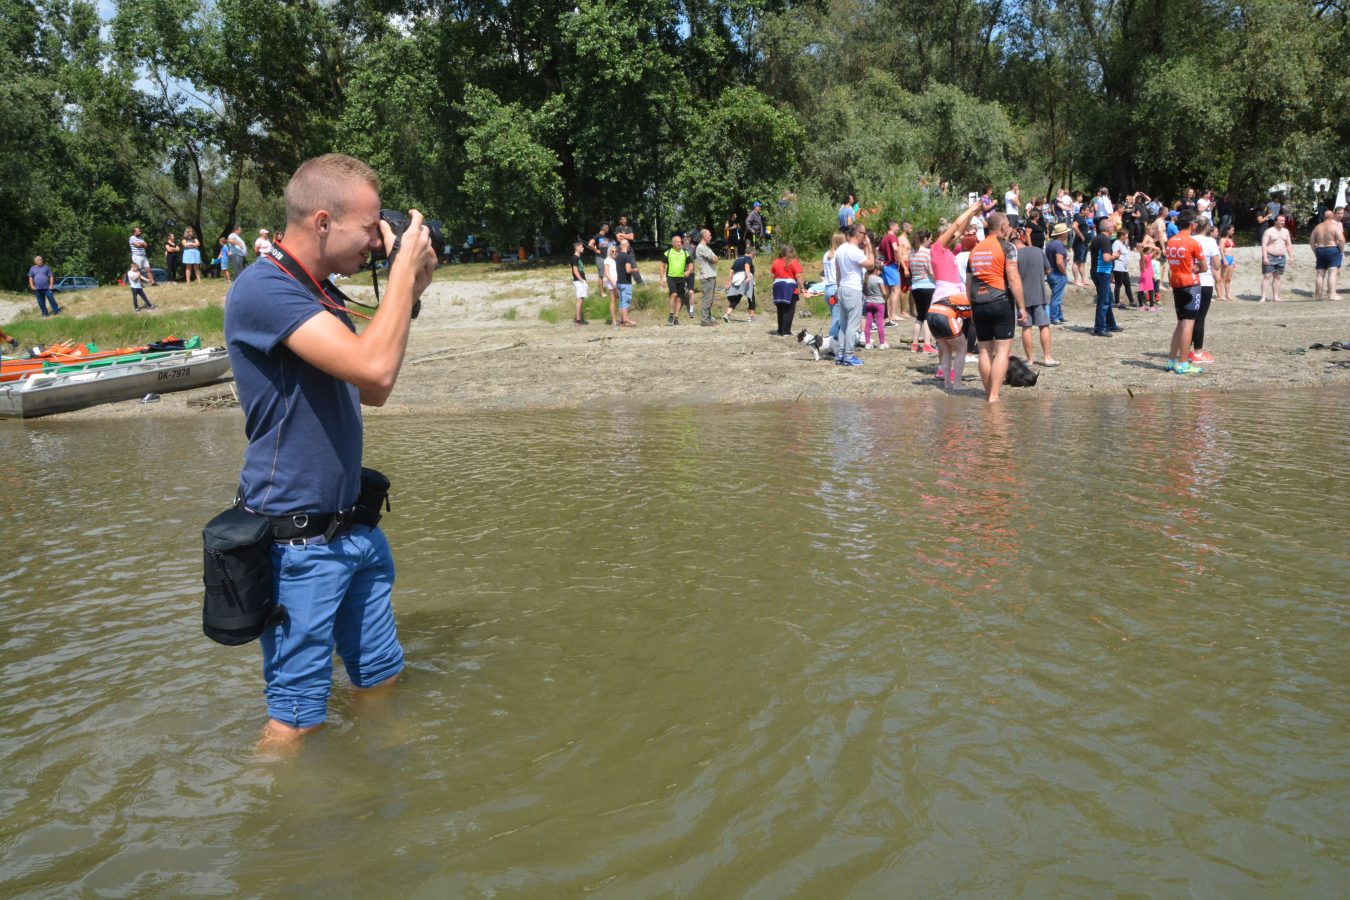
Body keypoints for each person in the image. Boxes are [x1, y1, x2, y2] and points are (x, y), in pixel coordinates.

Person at [223, 153, 436, 746]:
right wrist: (400, 275)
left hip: (351, 528)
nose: (377, 240)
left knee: (380, 677)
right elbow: (376, 369)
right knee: (295, 718)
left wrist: (411, 286)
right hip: (297, 544)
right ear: (322, 222)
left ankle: (378, 773)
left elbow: (371, 390)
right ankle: (275, 801)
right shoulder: (264, 288)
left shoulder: (316, 290)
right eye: (369, 227)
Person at [967, 212, 1027, 402]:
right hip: (1000, 301)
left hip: (978, 302)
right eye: (1007, 224)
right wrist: (1022, 307)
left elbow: (969, 283)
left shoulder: (975, 249)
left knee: (984, 350)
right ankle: (994, 395)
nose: (1009, 227)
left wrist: (971, 307)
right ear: (1002, 226)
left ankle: (988, 392)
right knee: (1002, 350)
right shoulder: (1007, 247)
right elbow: (1013, 278)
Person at [927, 201, 983, 389]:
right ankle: (957, 384)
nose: (955, 237)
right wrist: (970, 209)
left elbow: (960, 229)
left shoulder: (946, 251)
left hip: (939, 306)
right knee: (961, 347)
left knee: (946, 349)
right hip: (948, 301)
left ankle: (947, 383)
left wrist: (972, 215)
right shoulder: (937, 248)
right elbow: (957, 225)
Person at [1164, 211, 1207, 375]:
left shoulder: (1171, 241)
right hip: (1191, 285)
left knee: (1180, 323)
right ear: (1193, 223)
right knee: (1188, 324)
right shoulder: (1193, 242)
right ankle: (1182, 363)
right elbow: (1204, 267)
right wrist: (1197, 268)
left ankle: (1171, 360)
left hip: (1176, 284)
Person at [1014, 230, 1057, 367]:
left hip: (1022, 297)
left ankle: (1029, 359)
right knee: (1044, 326)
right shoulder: (1038, 251)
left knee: (1026, 328)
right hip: (1039, 294)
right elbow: (1048, 270)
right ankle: (1047, 357)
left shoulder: (1015, 256)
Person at [832, 224, 873, 366]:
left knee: (843, 324)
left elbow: (838, 271)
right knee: (853, 324)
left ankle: (840, 354)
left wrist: (838, 288)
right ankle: (849, 355)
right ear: (858, 234)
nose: (865, 236)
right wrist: (870, 247)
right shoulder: (854, 251)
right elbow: (870, 265)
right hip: (853, 289)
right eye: (864, 233)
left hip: (843, 287)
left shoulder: (841, 249)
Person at [1189, 222, 1221, 364]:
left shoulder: (1190, 240)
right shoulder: (1210, 241)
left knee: (1189, 318)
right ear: (1207, 227)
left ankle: (1186, 350)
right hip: (1205, 282)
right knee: (1200, 318)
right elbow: (1217, 265)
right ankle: (1198, 352)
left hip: (1190, 281)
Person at [1089, 217, 1121, 336]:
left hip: (1099, 271)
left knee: (1107, 298)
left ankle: (1110, 324)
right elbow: (1106, 258)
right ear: (1109, 228)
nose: (1114, 228)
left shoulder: (1097, 238)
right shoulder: (1105, 240)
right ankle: (1099, 328)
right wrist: (1115, 257)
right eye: (1113, 226)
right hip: (1102, 272)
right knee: (1103, 300)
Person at [907, 230, 936, 353]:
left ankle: (914, 344)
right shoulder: (928, 252)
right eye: (930, 239)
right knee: (927, 317)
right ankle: (927, 344)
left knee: (920, 316)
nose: (931, 241)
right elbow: (931, 271)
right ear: (925, 239)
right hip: (928, 286)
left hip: (915, 287)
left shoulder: (911, 252)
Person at [770, 244, 804, 336]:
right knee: (788, 310)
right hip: (789, 287)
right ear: (791, 252)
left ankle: (780, 330)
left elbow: (772, 275)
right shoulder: (793, 262)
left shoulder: (776, 261)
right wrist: (802, 288)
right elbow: (798, 276)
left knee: (780, 309)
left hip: (777, 286)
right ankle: (786, 331)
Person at [1311, 210, 1344, 301]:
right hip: (1332, 249)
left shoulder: (1317, 227)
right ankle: (1332, 295)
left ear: (1323, 217)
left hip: (1320, 249)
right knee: (1332, 273)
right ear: (1332, 216)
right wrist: (1341, 251)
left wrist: (1316, 252)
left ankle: (1318, 296)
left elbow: (1312, 242)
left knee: (1320, 274)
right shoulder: (1335, 226)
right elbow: (1341, 240)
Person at [1259, 214, 1294, 302]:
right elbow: (1264, 244)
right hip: (1270, 256)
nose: (1283, 222)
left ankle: (1276, 297)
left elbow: (1288, 244)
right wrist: (1265, 257)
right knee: (1267, 276)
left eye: (1284, 221)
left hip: (1281, 257)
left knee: (1277, 277)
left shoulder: (1286, 231)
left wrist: (1291, 256)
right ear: (1275, 221)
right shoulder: (1269, 231)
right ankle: (1263, 297)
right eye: (1281, 220)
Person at [660, 234, 693, 326]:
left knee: (679, 298)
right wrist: (661, 279)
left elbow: (691, 264)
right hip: (671, 277)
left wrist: (688, 271)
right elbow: (662, 266)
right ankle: (671, 314)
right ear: (673, 243)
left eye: (680, 242)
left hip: (681, 277)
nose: (679, 244)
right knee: (674, 294)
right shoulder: (668, 253)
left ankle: (676, 318)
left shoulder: (685, 253)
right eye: (677, 242)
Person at [694, 228, 720, 326]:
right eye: (709, 235)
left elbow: (716, 259)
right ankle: (704, 319)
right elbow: (713, 260)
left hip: (711, 275)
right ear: (704, 236)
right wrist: (714, 259)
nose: (711, 237)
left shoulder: (707, 248)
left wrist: (714, 259)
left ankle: (708, 318)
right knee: (707, 299)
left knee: (710, 299)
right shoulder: (700, 248)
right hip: (706, 276)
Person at [723, 245, 755, 323]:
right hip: (745, 278)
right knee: (751, 297)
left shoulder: (737, 260)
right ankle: (751, 317)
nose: (753, 257)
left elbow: (731, 271)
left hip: (737, 279)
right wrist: (748, 276)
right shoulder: (748, 258)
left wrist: (729, 282)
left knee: (736, 298)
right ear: (750, 253)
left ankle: (727, 314)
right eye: (753, 255)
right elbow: (747, 265)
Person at [1045, 223, 1069, 325]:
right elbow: (1059, 262)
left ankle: (1059, 315)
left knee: (1057, 295)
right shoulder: (1059, 245)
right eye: (1066, 232)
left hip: (1051, 273)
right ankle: (1054, 317)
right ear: (1062, 234)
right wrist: (1064, 272)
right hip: (1058, 274)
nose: (1067, 234)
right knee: (1057, 297)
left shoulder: (1050, 244)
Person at [878, 221, 902, 322]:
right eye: (897, 226)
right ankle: (893, 314)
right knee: (896, 290)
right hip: (892, 266)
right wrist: (899, 260)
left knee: (887, 292)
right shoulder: (892, 236)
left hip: (885, 266)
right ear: (892, 227)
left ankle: (886, 314)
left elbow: (879, 251)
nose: (898, 228)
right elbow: (895, 249)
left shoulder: (884, 238)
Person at [862, 262, 888, 350]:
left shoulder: (866, 278)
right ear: (876, 270)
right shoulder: (879, 279)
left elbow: (864, 291)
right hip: (879, 302)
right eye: (880, 271)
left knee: (868, 323)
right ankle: (882, 343)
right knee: (880, 323)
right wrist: (885, 298)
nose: (880, 272)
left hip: (869, 302)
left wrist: (869, 295)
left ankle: (867, 343)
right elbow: (884, 292)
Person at [614, 239, 637, 327]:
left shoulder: (617, 256)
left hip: (619, 282)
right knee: (626, 302)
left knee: (621, 301)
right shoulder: (627, 257)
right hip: (626, 282)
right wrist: (634, 270)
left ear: (620, 246)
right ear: (627, 246)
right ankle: (625, 320)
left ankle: (622, 319)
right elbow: (628, 270)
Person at [1111, 228, 1135, 308]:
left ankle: (1132, 301)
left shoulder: (1123, 244)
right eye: (1126, 236)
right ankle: (1117, 302)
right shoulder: (1117, 243)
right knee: (1118, 284)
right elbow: (1113, 254)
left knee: (1127, 284)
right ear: (1121, 236)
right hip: (1118, 267)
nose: (1127, 238)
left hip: (1124, 267)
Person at [1071, 205, 1093, 287]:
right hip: (1079, 243)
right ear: (1082, 210)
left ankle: (1083, 280)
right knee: (1077, 262)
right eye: (1087, 210)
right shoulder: (1078, 217)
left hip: (1084, 244)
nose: (1089, 212)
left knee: (1082, 263)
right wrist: (1081, 236)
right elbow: (1074, 226)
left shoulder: (1083, 218)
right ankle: (1076, 280)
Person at [569, 241, 590, 325]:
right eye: (581, 247)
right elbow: (575, 270)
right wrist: (581, 280)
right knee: (580, 299)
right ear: (577, 248)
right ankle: (578, 320)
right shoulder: (574, 258)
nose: (583, 248)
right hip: (578, 281)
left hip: (581, 280)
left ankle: (580, 318)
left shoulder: (578, 257)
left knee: (582, 299)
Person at [1138, 234, 1159, 310]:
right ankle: (1151, 306)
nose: (1151, 250)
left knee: (1141, 290)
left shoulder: (1141, 258)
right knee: (1150, 290)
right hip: (1148, 276)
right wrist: (1149, 245)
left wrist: (1145, 246)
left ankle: (1141, 306)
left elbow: (1141, 249)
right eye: (1150, 250)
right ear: (1147, 251)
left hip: (1143, 275)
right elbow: (1157, 249)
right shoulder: (1148, 257)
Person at [1216, 226, 1236, 301]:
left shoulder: (1231, 239)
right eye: (1232, 230)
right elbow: (1221, 250)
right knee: (1223, 278)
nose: (1233, 232)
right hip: (1226, 257)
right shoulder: (1222, 239)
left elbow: (1232, 250)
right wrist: (1224, 259)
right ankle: (1221, 295)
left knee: (1228, 279)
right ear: (1227, 230)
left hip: (1231, 258)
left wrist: (1233, 260)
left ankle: (1228, 295)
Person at [603, 244, 619, 326]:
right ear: (609, 252)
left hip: (616, 280)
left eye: (616, 251)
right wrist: (613, 282)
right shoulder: (607, 260)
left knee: (616, 299)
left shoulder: (614, 260)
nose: (614, 252)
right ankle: (613, 320)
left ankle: (617, 318)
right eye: (613, 251)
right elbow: (606, 273)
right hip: (611, 281)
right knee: (613, 300)